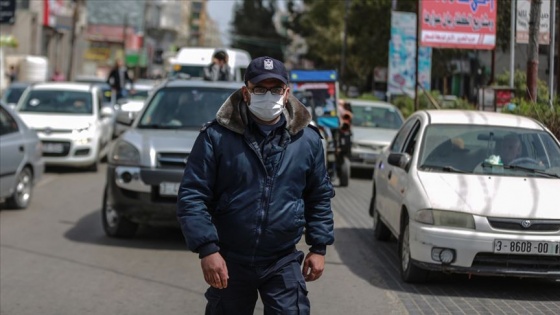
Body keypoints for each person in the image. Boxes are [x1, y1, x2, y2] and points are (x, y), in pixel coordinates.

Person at [177, 56, 334, 314]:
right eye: (260, 89)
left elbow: (318, 196)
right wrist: (207, 250)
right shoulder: (216, 137)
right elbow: (192, 196)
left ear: (286, 93)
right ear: (246, 93)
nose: (268, 95)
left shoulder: (307, 141)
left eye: (275, 89)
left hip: (281, 259)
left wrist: (319, 247)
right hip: (229, 259)